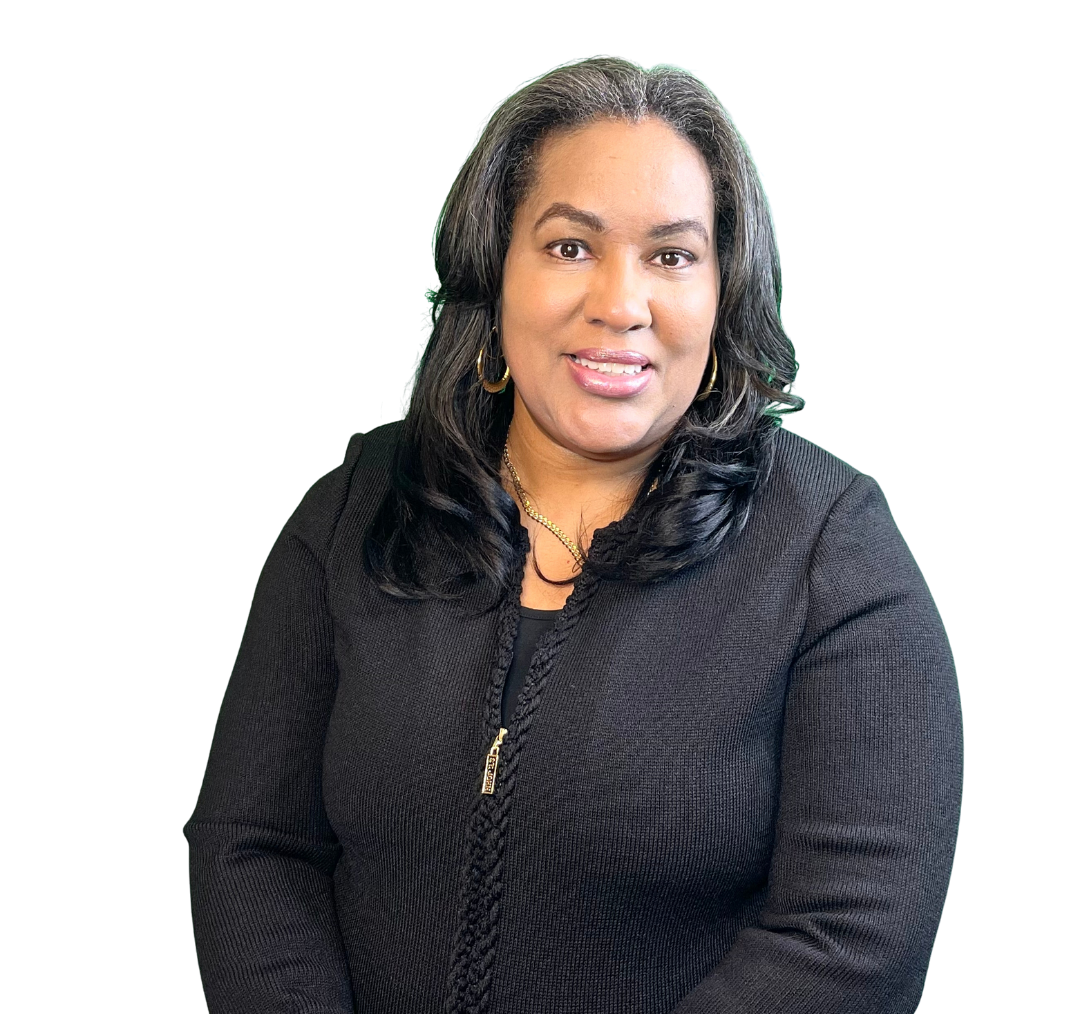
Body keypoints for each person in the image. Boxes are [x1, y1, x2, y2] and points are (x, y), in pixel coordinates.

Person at [184, 56, 964, 1014]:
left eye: (672, 256)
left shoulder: (834, 556)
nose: (620, 305)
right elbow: (252, 849)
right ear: (492, 275)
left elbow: (856, 931)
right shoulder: (351, 513)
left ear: (723, 299)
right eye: (568, 247)